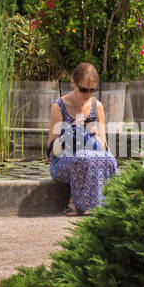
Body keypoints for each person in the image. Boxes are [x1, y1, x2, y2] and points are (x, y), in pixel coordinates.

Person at [46, 62, 118, 216]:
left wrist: (94, 136)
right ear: (73, 82)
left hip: (91, 156)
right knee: (83, 158)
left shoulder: (96, 106)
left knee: (108, 159)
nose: (88, 95)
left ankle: (97, 204)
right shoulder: (59, 107)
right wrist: (68, 135)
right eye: (84, 90)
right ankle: (79, 204)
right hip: (63, 163)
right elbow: (51, 151)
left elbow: (103, 147)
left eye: (93, 90)